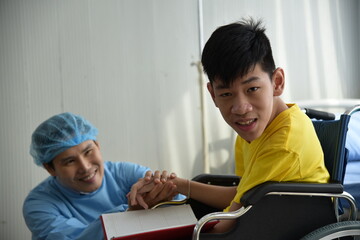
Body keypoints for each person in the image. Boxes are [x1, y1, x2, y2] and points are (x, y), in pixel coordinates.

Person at [128, 18, 330, 233]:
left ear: (277, 82)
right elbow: (241, 195)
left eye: (252, 89)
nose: (241, 108)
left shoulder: (284, 143)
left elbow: (226, 227)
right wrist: (175, 185)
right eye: (226, 94)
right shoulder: (251, 131)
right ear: (213, 95)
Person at [23, 112, 181, 240]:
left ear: (98, 146)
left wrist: (168, 189)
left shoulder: (125, 173)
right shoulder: (39, 204)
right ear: (50, 168)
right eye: (70, 161)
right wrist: (131, 214)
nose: (85, 167)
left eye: (88, 152)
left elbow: (180, 203)